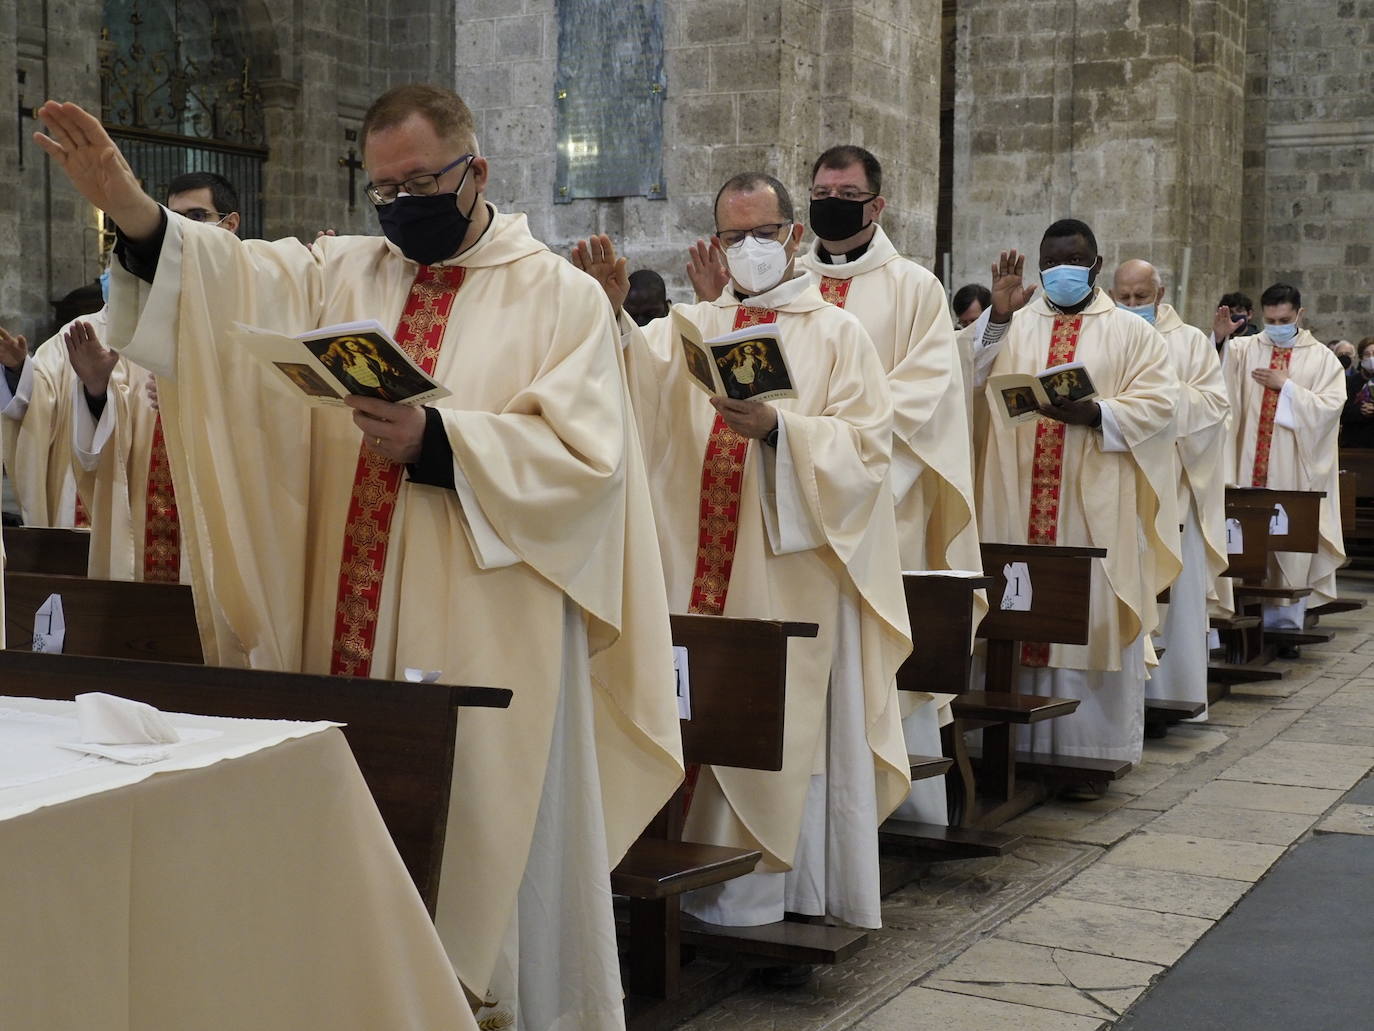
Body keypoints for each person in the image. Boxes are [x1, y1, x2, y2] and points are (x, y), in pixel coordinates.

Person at [35, 88, 683, 1030]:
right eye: (382, 188)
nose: (399, 204)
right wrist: (132, 208)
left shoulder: (560, 297)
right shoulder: (342, 272)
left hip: (487, 631)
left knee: (483, 860)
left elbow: (589, 467)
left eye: (420, 182)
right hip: (341, 613)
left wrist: (439, 441)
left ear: (477, 173)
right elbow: (230, 283)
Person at [573, 171, 911, 938]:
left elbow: (868, 452)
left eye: (765, 232)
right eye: (734, 235)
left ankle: (766, 899)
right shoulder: (690, 327)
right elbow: (634, 393)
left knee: (775, 733)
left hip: (785, 579)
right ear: (715, 241)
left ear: (794, 235)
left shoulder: (836, 335)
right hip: (691, 575)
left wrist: (782, 433)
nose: (750, 248)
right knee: (691, 723)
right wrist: (615, 314)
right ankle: (677, 892)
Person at [795, 144, 983, 827]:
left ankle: (892, 811)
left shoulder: (913, 288)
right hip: (792, 499)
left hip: (878, 505)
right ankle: (808, 817)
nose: (830, 202)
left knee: (875, 655)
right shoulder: (789, 280)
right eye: (820, 189)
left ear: (876, 205)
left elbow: (926, 391)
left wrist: (833, 440)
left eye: (845, 193)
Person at [969, 220, 1180, 769]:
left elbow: (1161, 406)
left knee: (1089, 613)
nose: (1064, 269)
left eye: (1075, 259)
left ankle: (1091, 751)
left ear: (1096, 264)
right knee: (1012, 602)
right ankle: (1004, 746)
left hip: (1094, 502)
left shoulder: (1133, 333)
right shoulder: (1012, 323)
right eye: (1053, 261)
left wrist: (1099, 413)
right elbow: (958, 379)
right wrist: (996, 317)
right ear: (1040, 266)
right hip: (1012, 494)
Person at [66, 172, 242, 581]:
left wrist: (207, 399)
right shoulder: (137, 315)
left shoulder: (256, 302)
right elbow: (115, 432)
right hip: (152, 512)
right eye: (173, 218)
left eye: (196, 216)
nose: (182, 229)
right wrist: (95, 389)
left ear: (229, 224)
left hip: (229, 514)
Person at [1112, 259, 1231, 719]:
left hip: (1171, 490)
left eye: (1141, 297)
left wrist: (1160, 395)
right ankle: (1122, 703)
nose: (1132, 305)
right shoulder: (1106, 334)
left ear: (1159, 295)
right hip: (1117, 484)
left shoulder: (1190, 343)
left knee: (1171, 595)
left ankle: (1171, 698)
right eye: (1124, 297)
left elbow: (1214, 406)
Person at [1222, 283, 1346, 631]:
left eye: (1284, 319)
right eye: (1271, 318)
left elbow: (1330, 409)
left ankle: (1285, 629)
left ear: (1299, 315)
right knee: (1241, 547)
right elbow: (1212, 381)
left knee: (1289, 549)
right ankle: (1237, 625)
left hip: (1292, 473)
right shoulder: (1243, 349)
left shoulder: (1321, 358)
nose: (1277, 325)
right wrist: (1217, 340)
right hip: (1244, 470)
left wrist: (1287, 388)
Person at [1340, 337, 1374, 447]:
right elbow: (1341, 412)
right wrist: (1360, 410)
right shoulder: (1350, 382)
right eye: (1367, 354)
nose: (1371, 358)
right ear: (1361, 358)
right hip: (1354, 442)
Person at [1210, 290, 1259, 355]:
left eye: (1239, 311)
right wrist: (1218, 339)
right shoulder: (1219, 338)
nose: (1235, 315)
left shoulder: (1257, 340)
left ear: (1249, 314)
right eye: (1230, 312)